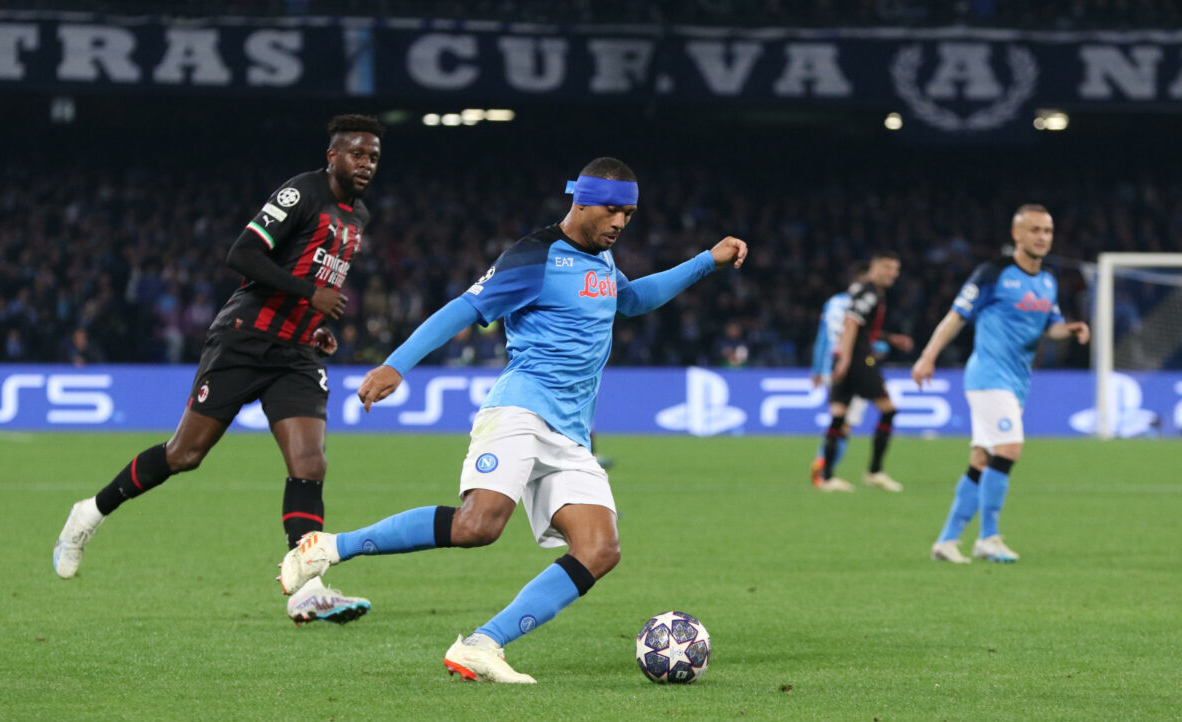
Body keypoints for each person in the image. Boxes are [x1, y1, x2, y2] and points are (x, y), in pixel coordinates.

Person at [277, 157, 747, 683]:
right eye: (612, 211)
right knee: (477, 526)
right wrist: (396, 365)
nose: (620, 223)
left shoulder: (602, 259)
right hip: (521, 411)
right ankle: (328, 547)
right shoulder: (534, 256)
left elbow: (632, 300)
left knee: (600, 549)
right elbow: (463, 309)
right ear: (582, 202)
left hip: (570, 434)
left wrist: (706, 261)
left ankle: (482, 644)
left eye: (629, 215)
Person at [53, 114, 384, 624]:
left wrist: (314, 322)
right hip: (245, 339)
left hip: (296, 353)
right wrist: (309, 294)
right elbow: (243, 254)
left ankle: (308, 588)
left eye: (373, 157)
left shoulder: (358, 215)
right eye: (357, 154)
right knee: (185, 454)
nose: (366, 164)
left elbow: (313, 273)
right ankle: (88, 513)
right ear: (332, 155)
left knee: (309, 464)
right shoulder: (301, 193)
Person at [912, 204, 1089, 564]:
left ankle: (946, 541)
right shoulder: (993, 273)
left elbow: (1050, 327)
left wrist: (1069, 329)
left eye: (1047, 231)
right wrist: (927, 356)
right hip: (988, 377)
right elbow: (956, 316)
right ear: (1016, 234)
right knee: (1009, 448)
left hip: (1017, 380)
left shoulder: (1047, 281)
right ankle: (988, 538)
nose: (1042, 237)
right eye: (1035, 230)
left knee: (982, 458)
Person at [817, 251, 913, 492]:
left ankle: (827, 478)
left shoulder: (861, 290)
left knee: (838, 416)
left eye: (896, 269)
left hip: (843, 357)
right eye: (889, 268)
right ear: (875, 267)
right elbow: (851, 323)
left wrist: (890, 338)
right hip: (858, 360)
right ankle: (874, 472)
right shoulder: (870, 292)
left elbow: (862, 327)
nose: (894, 274)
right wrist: (847, 359)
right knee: (888, 410)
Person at [808, 265, 891, 486]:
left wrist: (817, 369)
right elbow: (860, 337)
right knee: (845, 424)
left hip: (830, 365)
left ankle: (825, 470)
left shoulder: (832, 302)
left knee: (839, 418)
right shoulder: (864, 302)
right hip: (853, 365)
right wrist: (882, 347)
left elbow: (823, 338)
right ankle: (823, 469)